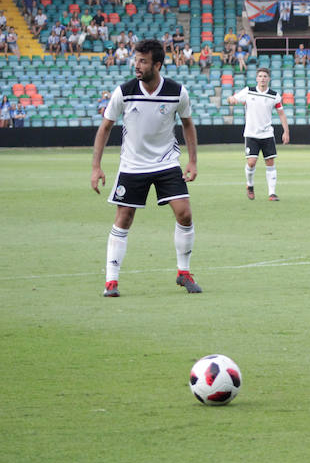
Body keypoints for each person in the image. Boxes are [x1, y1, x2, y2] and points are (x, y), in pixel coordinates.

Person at [90, 38, 201, 297]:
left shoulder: (177, 92)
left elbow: (188, 125)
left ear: (157, 65)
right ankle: (111, 281)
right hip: (132, 164)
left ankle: (183, 272)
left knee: (184, 214)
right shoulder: (124, 91)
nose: (136, 65)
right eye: (135, 60)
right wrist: (96, 166)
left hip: (166, 163)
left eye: (143, 61)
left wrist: (193, 161)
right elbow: (105, 127)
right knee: (124, 218)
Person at [227, 68, 290, 201]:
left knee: (270, 162)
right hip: (251, 134)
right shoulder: (248, 91)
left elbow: (281, 114)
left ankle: (272, 193)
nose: (262, 78)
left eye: (265, 76)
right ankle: (250, 185)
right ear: (256, 78)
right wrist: (231, 99)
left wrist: (286, 131)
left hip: (267, 134)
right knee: (251, 162)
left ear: (269, 79)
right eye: (260, 76)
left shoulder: (274, 95)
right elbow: (234, 98)